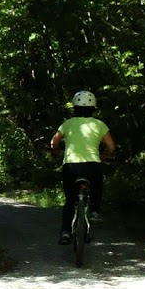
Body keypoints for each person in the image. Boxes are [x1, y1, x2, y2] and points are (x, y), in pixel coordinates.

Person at [50, 90, 116, 245]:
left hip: (71, 165)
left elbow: (53, 143)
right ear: (93, 107)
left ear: (74, 107)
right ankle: (94, 210)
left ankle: (66, 232)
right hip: (92, 165)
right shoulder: (99, 124)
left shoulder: (67, 124)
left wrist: (59, 152)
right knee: (97, 186)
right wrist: (103, 157)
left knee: (69, 201)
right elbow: (111, 147)